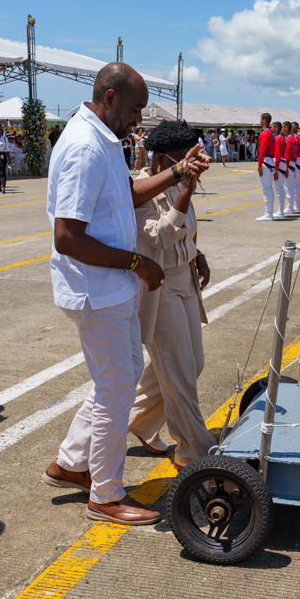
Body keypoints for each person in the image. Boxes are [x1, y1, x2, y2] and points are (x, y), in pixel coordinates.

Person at [41, 62, 210, 526]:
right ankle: (106, 493)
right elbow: (67, 236)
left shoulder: (102, 139)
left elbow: (129, 195)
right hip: (96, 288)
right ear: (110, 98)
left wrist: (179, 171)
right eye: (136, 108)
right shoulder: (83, 146)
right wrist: (137, 262)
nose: (140, 119)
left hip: (109, 286)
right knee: (117, 387)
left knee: (116, 379)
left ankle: (70, 464)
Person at [127, 120, 216, 469]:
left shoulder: (180, 180)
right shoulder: (139, 188)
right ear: (164, 160)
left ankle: (136, 419)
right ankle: (194, 452)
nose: (192, 166)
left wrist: (199, 254)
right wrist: (185, 189)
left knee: (192, 364)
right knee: (179, 374)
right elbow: (155, 240)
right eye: (185, 160)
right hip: (158, 288)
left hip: (185, 281)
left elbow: (185, 231)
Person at [255, 113, 277, 221]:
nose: (259, 121)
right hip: (270, 161)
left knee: (266, 189)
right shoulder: (271, 132)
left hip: (266, 161)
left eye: (260, 119)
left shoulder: (265, 133)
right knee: (269, 188)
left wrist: (259, 165)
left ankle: (268, 213)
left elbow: (262, 150)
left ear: (264, 120)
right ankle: (269, 212)